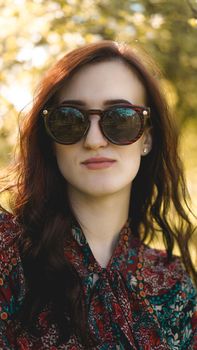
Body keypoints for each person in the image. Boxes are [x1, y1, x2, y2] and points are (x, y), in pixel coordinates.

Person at [0, 40, 196, 350]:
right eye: (69, 119)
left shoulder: (174, 285)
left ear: (146, 137)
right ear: (50, 139)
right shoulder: (7, 256)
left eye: (120, 118)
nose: (94, 139)